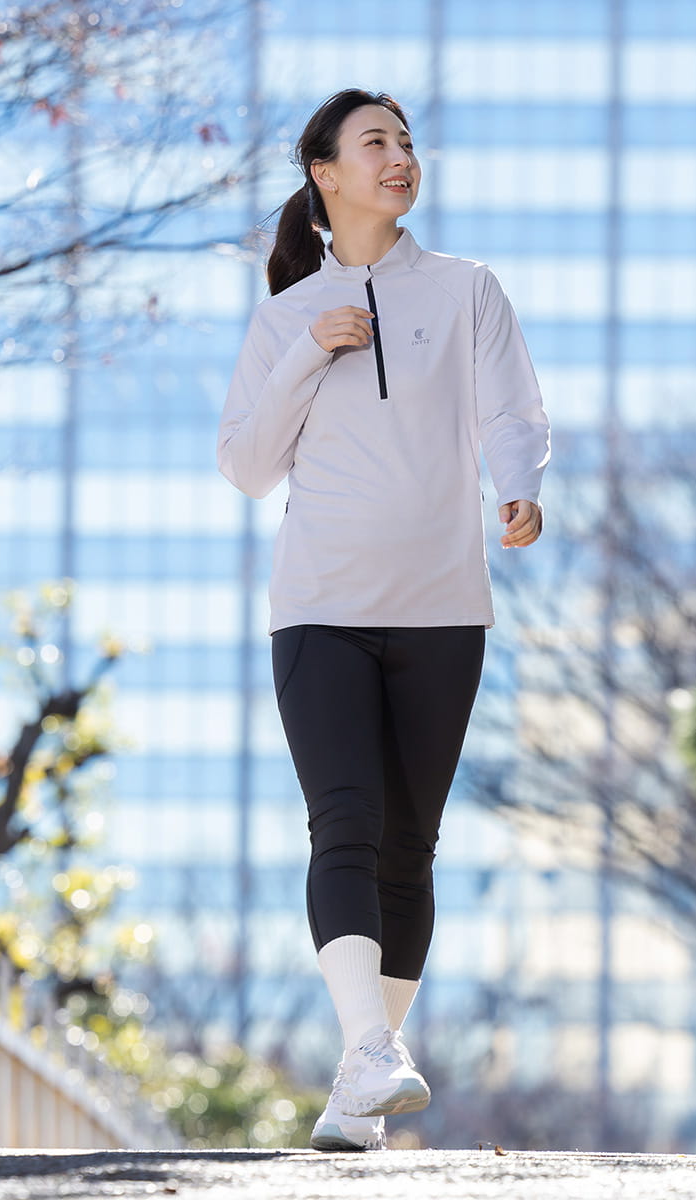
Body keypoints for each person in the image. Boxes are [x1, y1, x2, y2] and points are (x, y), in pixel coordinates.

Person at [217, 88, 550, 1152]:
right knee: (345, 821)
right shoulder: (283, 318)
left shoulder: (464, 288)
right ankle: (369, 1048)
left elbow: (510, 406)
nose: (400, 156)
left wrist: (519, 485)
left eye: (406, 142)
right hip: (321, 608)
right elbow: (246, 466)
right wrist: (309, 349)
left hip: (443, 608)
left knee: (409, 846)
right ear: (325, 172)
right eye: (376, 143)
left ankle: (359, 1089)